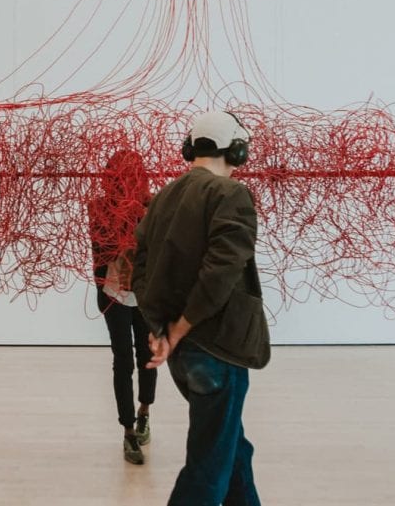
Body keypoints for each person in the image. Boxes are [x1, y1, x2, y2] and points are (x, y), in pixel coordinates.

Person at [132, 111, 271, 506]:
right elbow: (220, 274)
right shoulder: (231, 195)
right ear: (238, 150)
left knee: (232, 448)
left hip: (184, 355)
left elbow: (140, 268)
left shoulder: (163, 198)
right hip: (216, 348)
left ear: (191, 148)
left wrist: (160, 329)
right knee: (208, 467)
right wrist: (176, 330)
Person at [87, 149, 157, 465]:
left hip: (144, 294)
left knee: (148, 356)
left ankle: (144, 412)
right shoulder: (99, 208)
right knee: (122, 360)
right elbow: (103, 246)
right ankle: (128, 433)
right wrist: (126, 217)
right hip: (114, 292)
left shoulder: (154, 207)